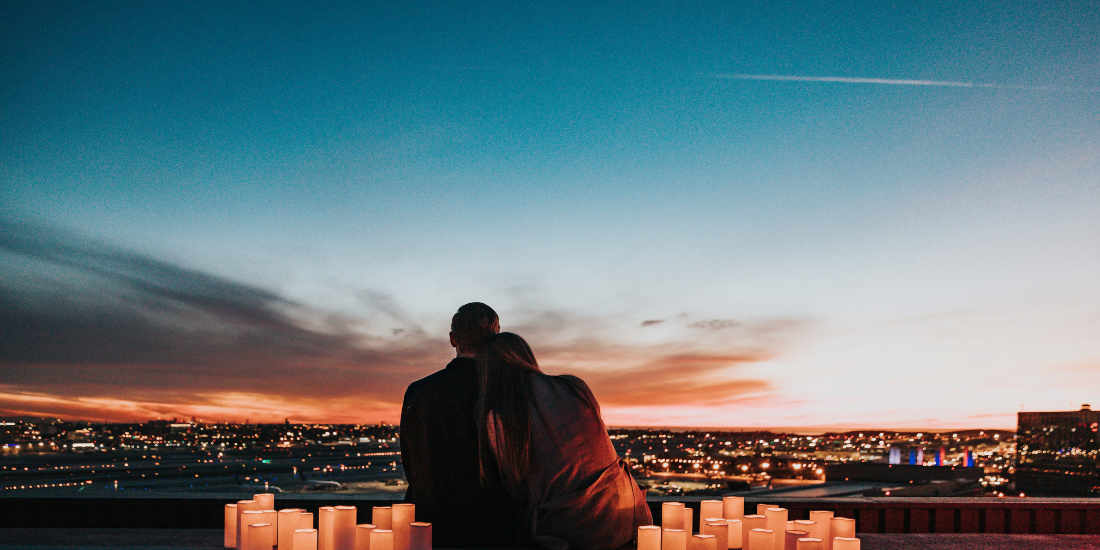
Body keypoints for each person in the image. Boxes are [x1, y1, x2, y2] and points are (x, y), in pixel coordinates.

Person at [476, 332, 652, 550]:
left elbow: (515, 488)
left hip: (571, 531)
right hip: (627, 514)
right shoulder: (575, 387)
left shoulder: (500, 417)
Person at [400, 303, 519, 547]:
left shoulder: (418, 392)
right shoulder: (509, 391)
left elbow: (412, 467)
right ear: (496, 338)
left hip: (430, 526)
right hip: (492, 528)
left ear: (453, 339)